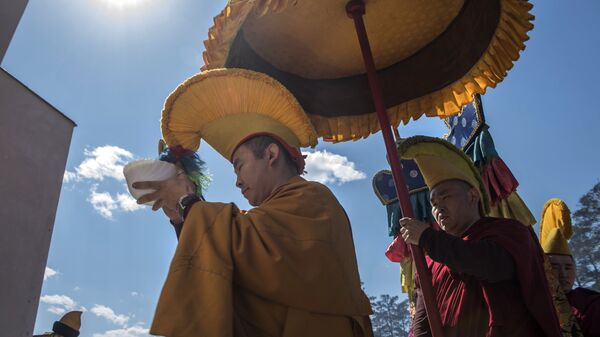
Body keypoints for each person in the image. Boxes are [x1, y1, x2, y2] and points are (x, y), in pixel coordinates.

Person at [133, 69, 373, 337]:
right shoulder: (263, 223)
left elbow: (254, 254)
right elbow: (228, 263)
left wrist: (187, 203)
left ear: (271, 154)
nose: (237, 181)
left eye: (239, 166)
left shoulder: (314, 199)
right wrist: (182, 215)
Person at [397, 136, 562, 337]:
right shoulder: (431, 260)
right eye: (433, 202)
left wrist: (427, 238)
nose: (438, 206)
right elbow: (422, 321)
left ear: (472, 196)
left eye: (446, 196)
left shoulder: (508, 231)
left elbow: (493, 265)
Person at [540, 198, 600, 337]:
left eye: (568, 267)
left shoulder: (589, 304)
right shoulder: (531, 301)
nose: (563, 274)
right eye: (555, 267)